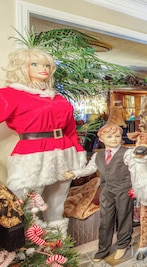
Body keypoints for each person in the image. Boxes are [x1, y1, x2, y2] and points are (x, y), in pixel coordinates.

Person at [0, 47, 86, 226]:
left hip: (64, 153)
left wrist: (79, 152)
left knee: (57, 205)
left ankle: (58, 248)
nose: (43, 68)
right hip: (32, 156)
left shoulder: (58, 98)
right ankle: (31, 251)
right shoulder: (10, 94)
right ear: (24, 67)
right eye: (35, 64)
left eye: (47, 65)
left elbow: (70, 130)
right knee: (25, 207)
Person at [63, 123, 133, 261]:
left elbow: (135, 171)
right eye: (110, 136)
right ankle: (103, 249)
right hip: (106, 190)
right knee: (105, 219)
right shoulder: (98, 155)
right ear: (101, 139)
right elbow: (90, 169)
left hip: (123, 189)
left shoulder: (127, 153)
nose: (114, 139)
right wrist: (75, 173)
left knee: (124, 217)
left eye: (117, 136)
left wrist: (135, 188)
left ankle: (123, 245)